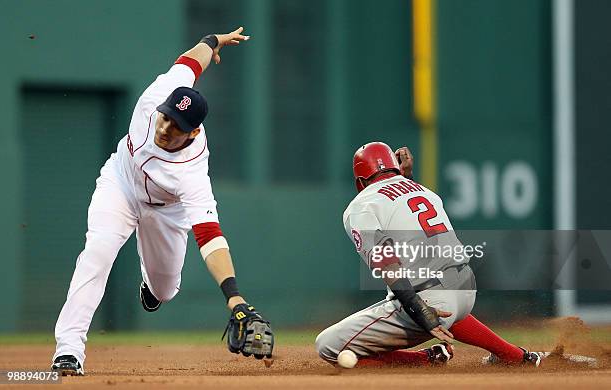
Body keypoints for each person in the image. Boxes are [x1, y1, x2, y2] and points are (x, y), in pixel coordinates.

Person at [51, 27, 273, 376]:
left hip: (165, 211)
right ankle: (69, 348)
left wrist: (235, 297)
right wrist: (213, 41)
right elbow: (190, 62)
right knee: (98, 251)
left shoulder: (193, 172)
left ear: (194, 132)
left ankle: (152, 287)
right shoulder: (158, 94)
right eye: (167, 115)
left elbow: (210, 235)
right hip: (120, 184)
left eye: (178, 125)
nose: (166, 127)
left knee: (165, 288)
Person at [315, 142, 542, 367]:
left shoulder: (362, 204)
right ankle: (514, 355)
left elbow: (385, 260)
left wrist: (417, 307)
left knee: (328, 345)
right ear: (396, 169)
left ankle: (425, 359)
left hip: (430, 298)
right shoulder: (425, 192)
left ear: (360, 182)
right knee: (445, 305)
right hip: (466, 289)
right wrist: (408, 176)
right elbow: (403, 203)